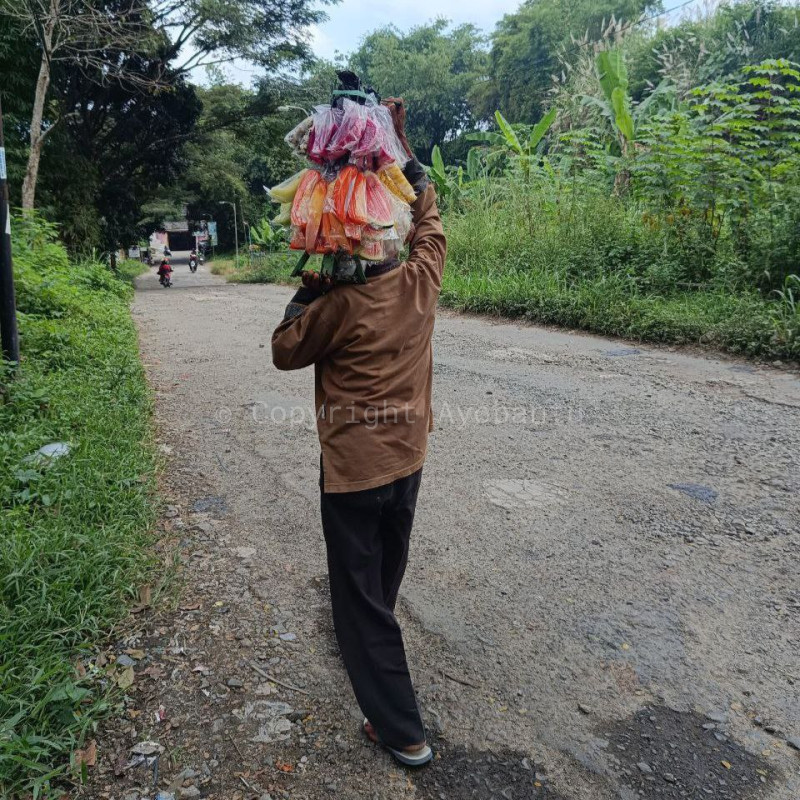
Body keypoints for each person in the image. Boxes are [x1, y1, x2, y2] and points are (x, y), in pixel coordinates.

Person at [271, 98, 445, 767]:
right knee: (381, 576)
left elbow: (284, 348)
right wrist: (409, 162)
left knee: (357, 599)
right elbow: (430, 227)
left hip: (351, 474)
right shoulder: (419, 282)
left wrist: (311, 285)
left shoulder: (336, 306)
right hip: (408, 462)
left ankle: (401, 728)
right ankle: (378, 640)